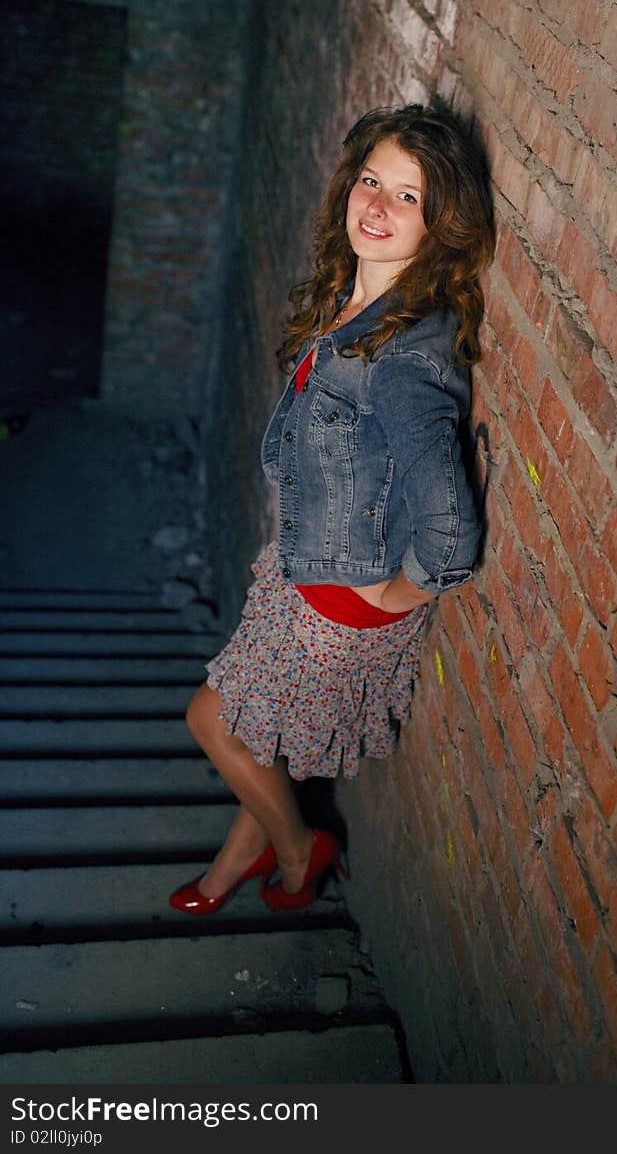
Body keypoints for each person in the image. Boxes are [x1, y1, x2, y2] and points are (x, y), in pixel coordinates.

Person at [169, 103, 495, 915]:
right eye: (370, 181)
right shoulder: (357, 308)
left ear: (443, 221)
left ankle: (298, 851)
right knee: (272, 740)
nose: (376, 207)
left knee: (214, 722)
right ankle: (232, 873)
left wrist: (397, 595)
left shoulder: (403, 358)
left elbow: (451, 535)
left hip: (343, 602)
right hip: (307, 567)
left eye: (408, 198)